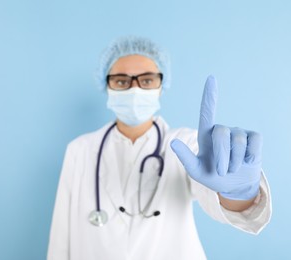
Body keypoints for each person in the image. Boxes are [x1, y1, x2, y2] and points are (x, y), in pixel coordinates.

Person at [47, 36, 272, 260]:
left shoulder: (185, 144)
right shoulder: (80, 150)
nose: (134, 89)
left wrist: (237, 194)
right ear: (107, 86)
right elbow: (60, 237)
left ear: (161, 86)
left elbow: (211, 195)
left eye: (146, 80)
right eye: (121, 81)